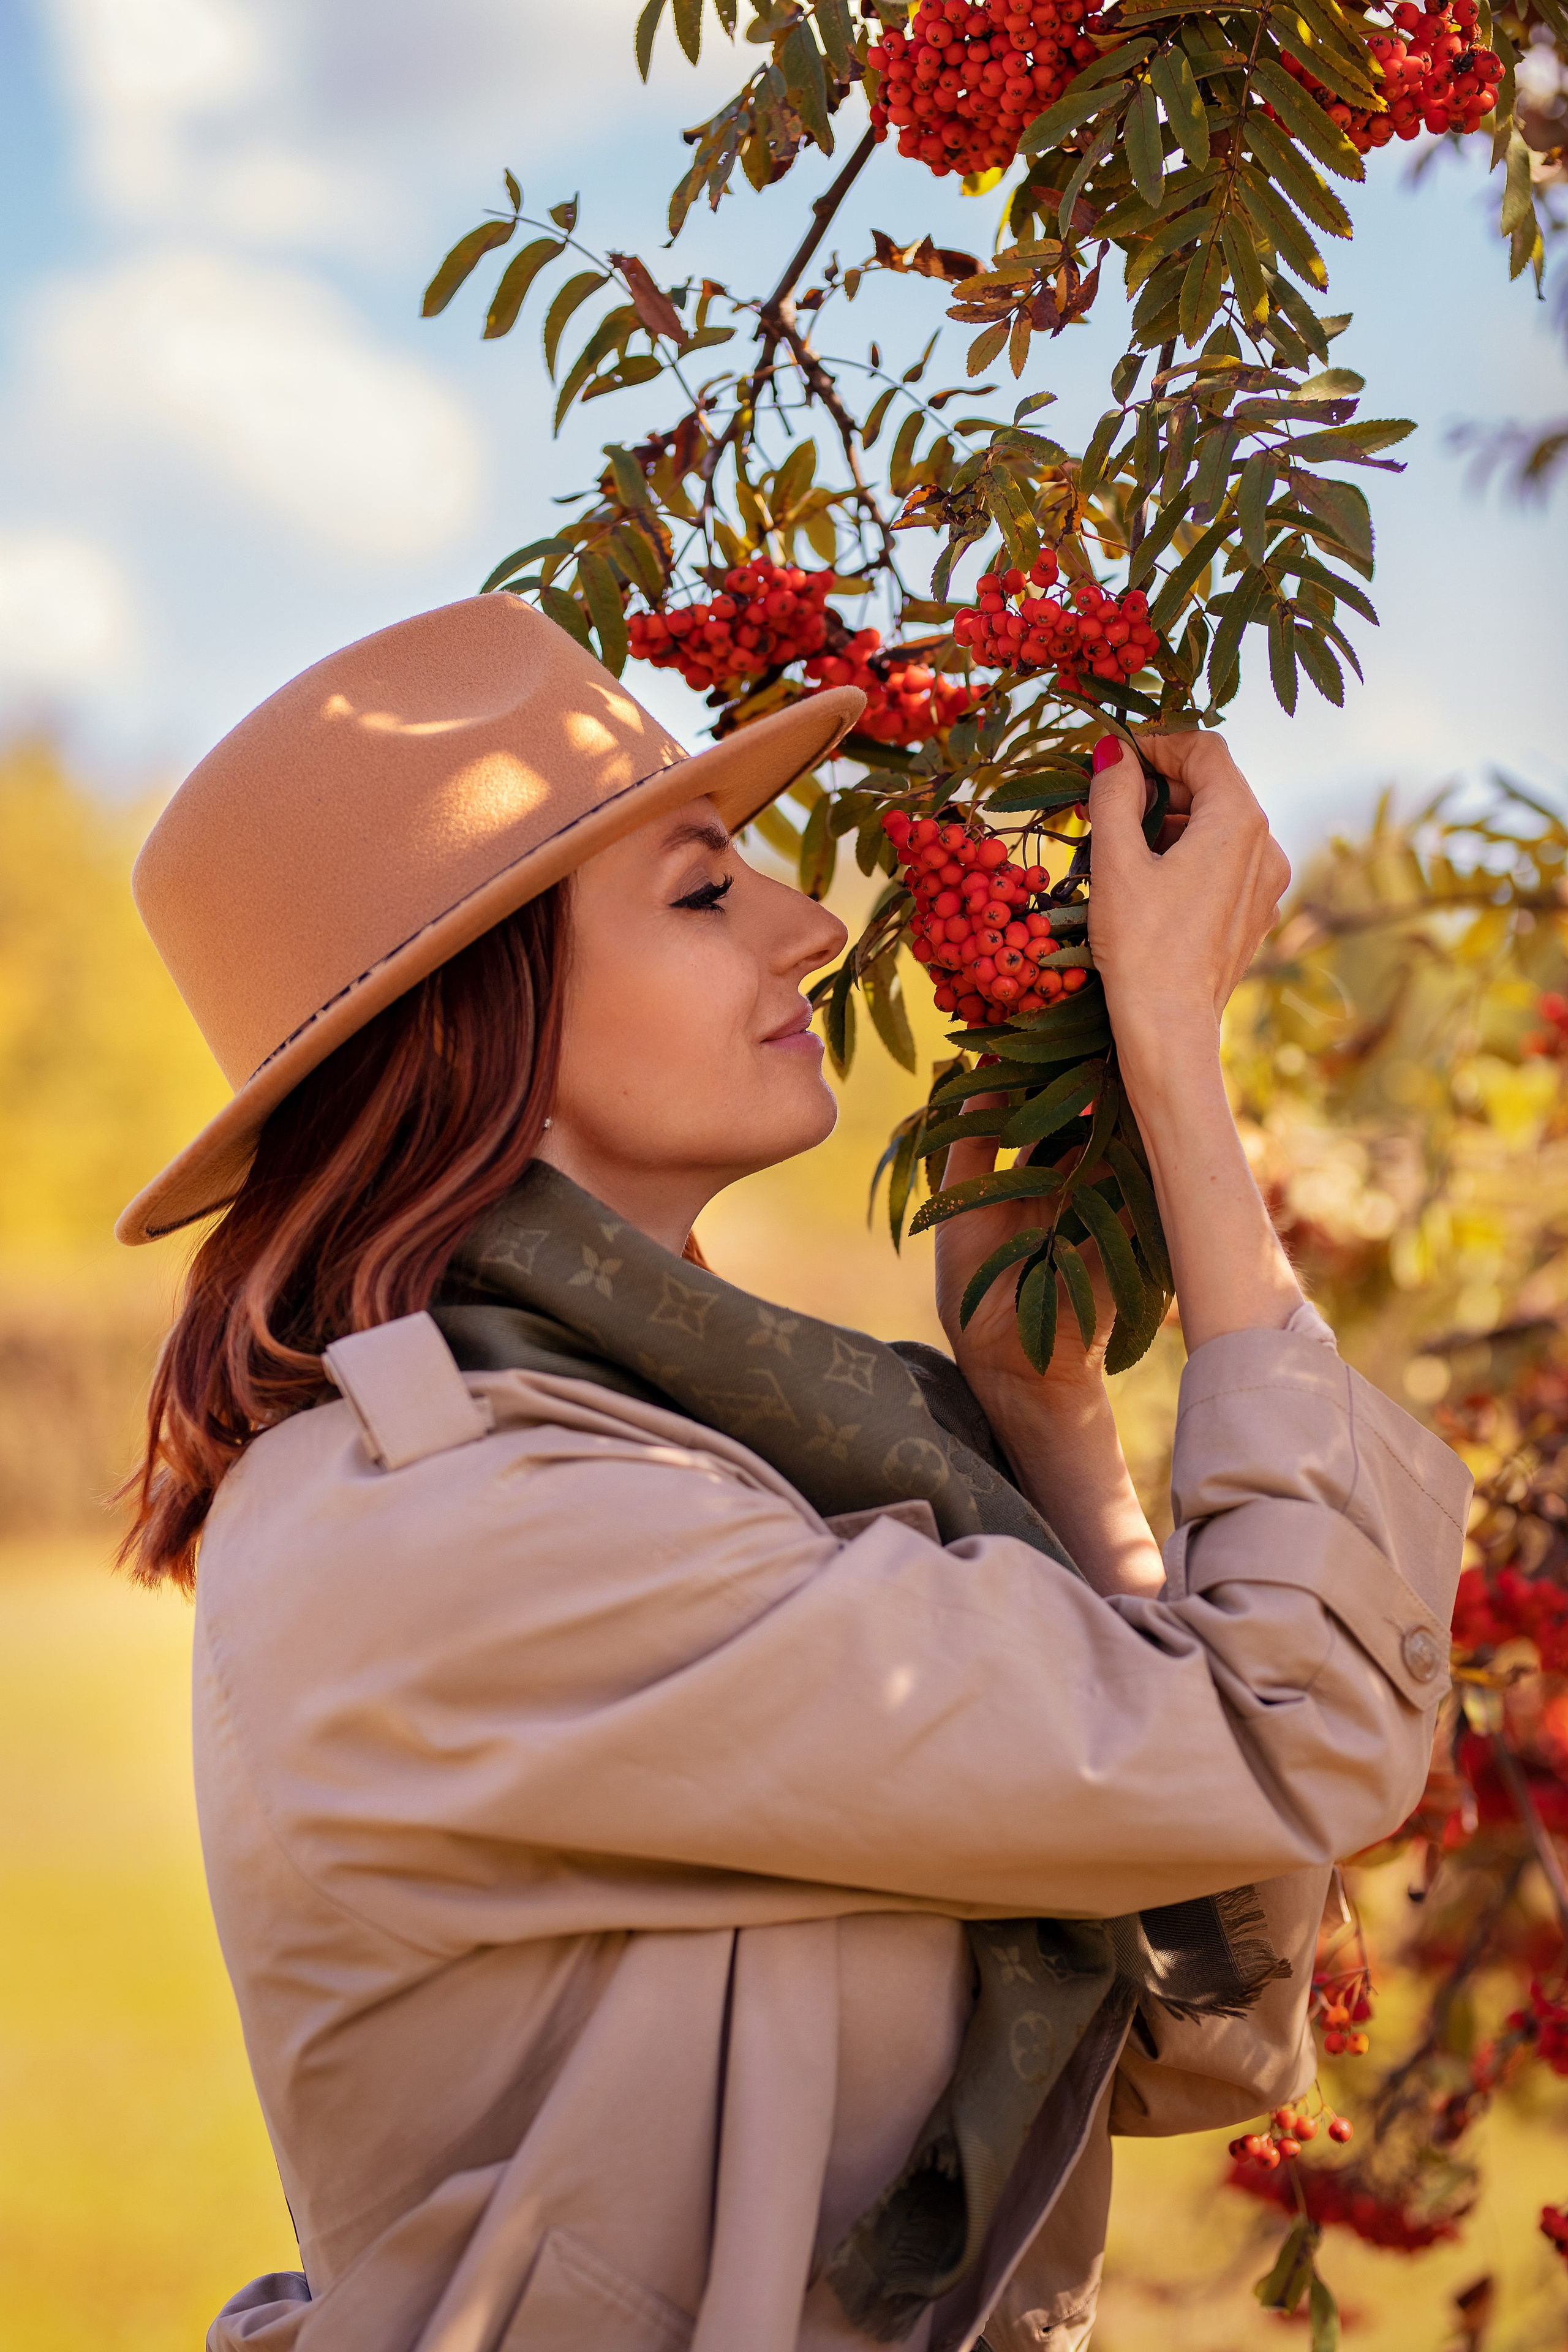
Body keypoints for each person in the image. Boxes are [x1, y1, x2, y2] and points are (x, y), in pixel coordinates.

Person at [118, 595, 1468, 2352]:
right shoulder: (478, 1528)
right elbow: (1302, 1738)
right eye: (702, 893)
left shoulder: (674, 1454)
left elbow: (1174, 1992)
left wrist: (1041, 1416)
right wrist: (1174, 1067)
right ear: (479, 1026)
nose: (817, 925)